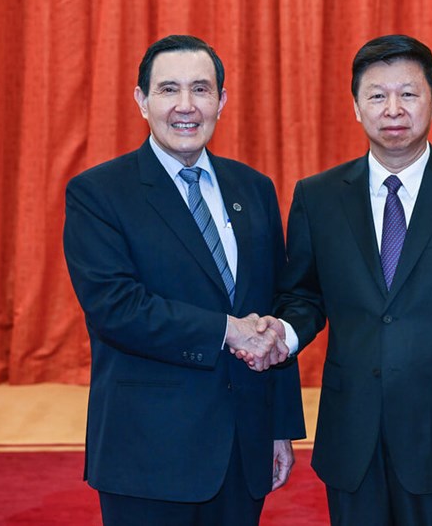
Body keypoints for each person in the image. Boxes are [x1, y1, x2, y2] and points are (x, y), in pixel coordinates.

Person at [271, 35, 432, 525]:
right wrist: (282, 334)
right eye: (377, 95)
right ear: (356, 107)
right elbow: (302, 295)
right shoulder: (317, 198)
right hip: (353, 438)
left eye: (408, 94)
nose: (393, 109)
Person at [63, 35, 305, 526]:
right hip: (148, 456)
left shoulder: (254, 189)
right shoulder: (99, 192)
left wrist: (279, 427)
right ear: (141, 100)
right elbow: (117, 307)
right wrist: (227, 329)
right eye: (168, 89)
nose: (186, 106)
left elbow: (273, 307)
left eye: (201, 89)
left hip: (242, 448)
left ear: (222, 100)